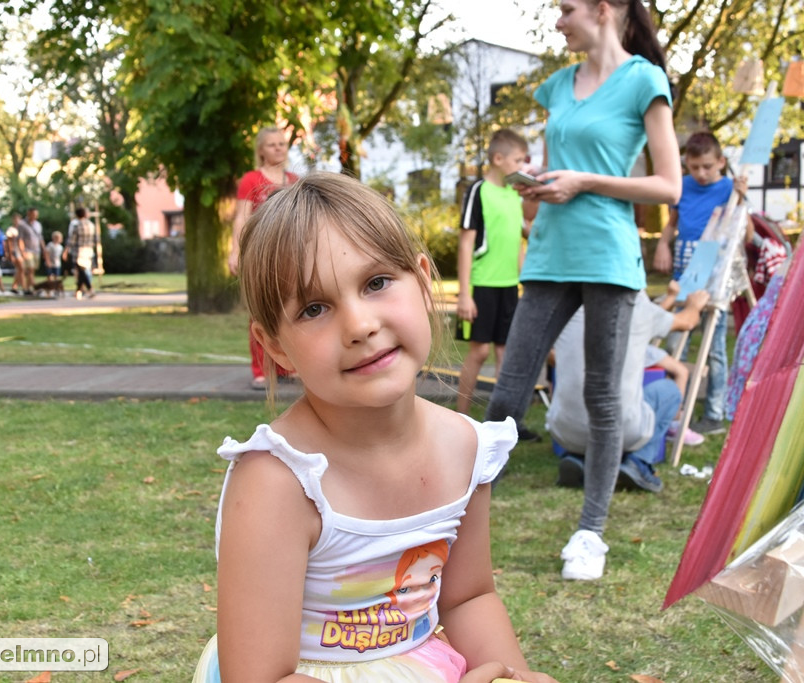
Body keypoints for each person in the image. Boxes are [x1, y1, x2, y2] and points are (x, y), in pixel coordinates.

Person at [214, 172, 556, 682]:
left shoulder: (466, 449)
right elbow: (260, 678)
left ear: (421, 281)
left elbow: (469, 597)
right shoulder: (279, 482)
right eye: (314, 308)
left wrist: (511, 674)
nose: (359, 326)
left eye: (376, 283)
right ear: (277, 347)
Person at [485, 0, 681, 582]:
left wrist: (585, 182)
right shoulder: (557, 86)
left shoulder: (644, 81)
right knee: (507, 396)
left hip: (609, 259)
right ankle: (456, 519)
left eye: (566, 8)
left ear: (602, 9)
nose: (558, 19)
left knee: (603, 398)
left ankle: (590, 533)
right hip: (550, 254)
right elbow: (556, 169)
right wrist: (542, 186)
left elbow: (667, 184)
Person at [547, 283, 710, 495]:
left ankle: (579, 458)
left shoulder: (562, 309)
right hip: (618, 431)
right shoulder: (635, 307)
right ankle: (638, 462)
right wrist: (694, 305)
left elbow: (550, 356)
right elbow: (688, 321)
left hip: (564, 430)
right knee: (668, 391)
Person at [652, 131, 748, 436]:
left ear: (720, 161)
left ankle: (714, 413)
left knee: (714, 347)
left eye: (707, 166)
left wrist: (742, 198)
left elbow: (743, 234)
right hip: (684, 276)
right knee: (673, 342)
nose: (701, 173)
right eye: (694, 167)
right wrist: (663, 245)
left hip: (712, 278)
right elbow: (672, 225)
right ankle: (672, 410)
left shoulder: (730, 190)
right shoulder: (683, 187)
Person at [455, 129, 529, 415]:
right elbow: (465, 243)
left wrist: (525, 284)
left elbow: (517, 242)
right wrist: (464, 294)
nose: (521, 168)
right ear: (498, 158)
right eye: (518, 161)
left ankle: (504, 421)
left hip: (510, 286)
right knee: (480, 351)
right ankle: (461, 416)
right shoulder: (477, 191)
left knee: (504, 354)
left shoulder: (514, 194)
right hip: (482, 285)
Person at [228, 126, 300, 390]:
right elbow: (242, 218)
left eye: (282, 144)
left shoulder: (294, 180)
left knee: (289, 310)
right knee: (259, 312)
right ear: (261, 150)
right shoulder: (251, 179)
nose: (278, 148)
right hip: (260, 253)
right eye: (272, 144)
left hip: (289, 255)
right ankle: (261, 369)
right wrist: (235, 251)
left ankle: (287, 365)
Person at [63, 207, 97, 299]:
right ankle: (78, 291)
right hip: (89, 250)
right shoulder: (91, 225)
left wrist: (66, 251)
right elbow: (95, 239)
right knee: (83, 271)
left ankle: (90, 289)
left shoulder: (77, 226)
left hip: (78, 251)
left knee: (81, 272)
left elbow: (71, 240)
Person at [17, 207, 47, 296]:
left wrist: (44, 250)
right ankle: (33, 287)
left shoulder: (38, 224)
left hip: (36, 250)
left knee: (32, 270)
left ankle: (28, 288)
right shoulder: (22, 224)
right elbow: (20, 239)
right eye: (33, 214)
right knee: (29, 269)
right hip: (27, 250)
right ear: (28, 214)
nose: (34, 216)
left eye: (36, 215)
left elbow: (40, 238)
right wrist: (22, 251)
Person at [5, 214, 26, 295]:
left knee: (20, 270)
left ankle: (15, 286)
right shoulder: (11, 230)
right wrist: (10, 254)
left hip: (21, 251)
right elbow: (8, 242)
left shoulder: (21, 229)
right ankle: (24, 287)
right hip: (15, 251)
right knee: (21, 269)